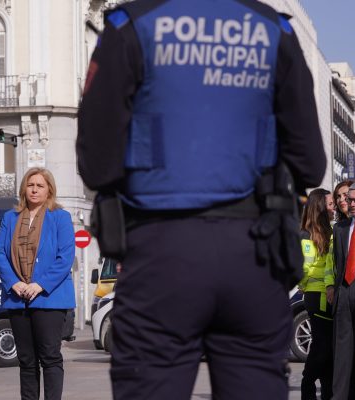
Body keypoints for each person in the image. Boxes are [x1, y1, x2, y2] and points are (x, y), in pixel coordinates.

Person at [76, 1, 326, 399]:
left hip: (159, 250)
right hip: (254, 252)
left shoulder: (129, 26)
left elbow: (96, 160)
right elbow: (311, 163)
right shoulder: (273, 30)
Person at [0, 167, 76, 400]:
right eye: (31, 185)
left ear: (49, 189)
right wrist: (14, 283)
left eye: (40, 185)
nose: (34, 190)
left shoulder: (60, 217)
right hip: (18, 298)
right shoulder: (10, 218)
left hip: (49, 298)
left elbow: (65, 256)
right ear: (24, 188)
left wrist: (39, 284)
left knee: (50, 357)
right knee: (26, 361)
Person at [331, 180, 355, 399]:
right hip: (345, 292)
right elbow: (337, 263)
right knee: (342, 356)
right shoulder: (340, 228)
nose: (351, 204)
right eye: (349, 200)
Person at [298, 189, 334, 400]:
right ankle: (308, 384)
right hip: (317, 296)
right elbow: (304, 267)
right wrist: (305, 284)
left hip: (325, 294)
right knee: (322, 346)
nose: (334, 206)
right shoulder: (306, 235)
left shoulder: (329, 231)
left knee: (326, 348)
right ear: (321, 206)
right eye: (330, 203)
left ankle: (327, 391)